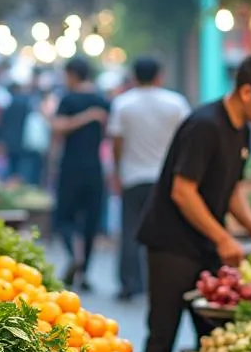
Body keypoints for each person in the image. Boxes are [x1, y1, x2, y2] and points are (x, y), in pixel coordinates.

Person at [137, 52, 251, 352]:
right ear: (247, 92)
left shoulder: (242, 130)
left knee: (211, 333)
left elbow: (232, 188)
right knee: (163, 332)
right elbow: (182, 191)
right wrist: (222, 237)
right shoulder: (204, 125)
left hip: (205, 244)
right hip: (171, 243)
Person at [108, 57, 190, 301]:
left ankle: (129, 283)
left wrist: (118, 171)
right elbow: (186, 139)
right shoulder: (176, 103)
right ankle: (165, 284)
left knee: (131, 233)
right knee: (165, 234)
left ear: (133, 76)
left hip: (133, 177)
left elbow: (116, 142)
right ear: (159, 75)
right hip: (164, 179)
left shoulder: (123, 104)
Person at [52, 57, 111, 288]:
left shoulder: (68, 99)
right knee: (91, 220)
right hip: (95, 167)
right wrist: (91, 116)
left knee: (64, 218)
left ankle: (75, 257)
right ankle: (84, 270)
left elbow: (58, 126)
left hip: (71, 166)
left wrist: (81, 118)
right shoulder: (101, 100)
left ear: (72, 75)